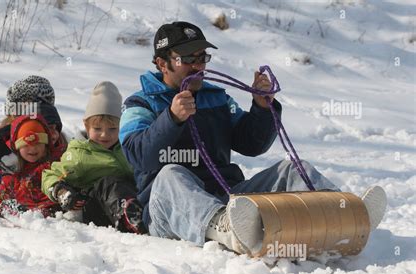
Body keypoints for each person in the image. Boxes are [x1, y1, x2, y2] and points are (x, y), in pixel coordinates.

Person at [119, 21, 387, 255]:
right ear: (162, 63)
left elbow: (251, 145)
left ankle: (345, 213)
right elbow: (138, 155)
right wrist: (172, 118)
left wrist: (261, 107)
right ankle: (223, 225)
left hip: (229, 200)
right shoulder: (139, 104)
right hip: (167, 209)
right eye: (188, 59)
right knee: (171, 173)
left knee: (292, 168)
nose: (198, 66)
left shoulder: (217, 98)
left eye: (202, 57)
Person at [42, 82, 146, 234]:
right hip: (94, 209)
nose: (105, 135)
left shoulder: (127, 148)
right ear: (86, 125)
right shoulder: (81, 154)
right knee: (108, 183)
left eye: (112, 129)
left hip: (128, 199)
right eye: (97, 129)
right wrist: (61, 191)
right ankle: (130, 218)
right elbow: (49, 176)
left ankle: (142, 215)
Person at [0, 76, 67, 198]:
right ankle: (0, 163)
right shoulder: (1, 136)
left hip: (41, 193)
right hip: (3, 195)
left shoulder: (56, 135)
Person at [0, 114, 61, 217]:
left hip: (50, 214)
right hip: (24, 216)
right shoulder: (13, 176)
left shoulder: (54, 165)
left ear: (46, 145)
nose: (32, 149)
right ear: (17, 148)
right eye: (26, 145)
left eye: (38, 144)